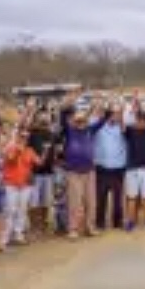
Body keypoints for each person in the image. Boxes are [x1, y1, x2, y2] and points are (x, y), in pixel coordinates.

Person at [59, 97, 108, 240]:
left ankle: (90, 227)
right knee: (75, 202)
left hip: (89, 171)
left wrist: (100, 106)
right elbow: (63, 116)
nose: (81, 122)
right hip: (73, 171)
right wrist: (68, 103)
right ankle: (73, 229)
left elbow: (102, 121)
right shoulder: (69, 130)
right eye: (78, 120)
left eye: (83, 120)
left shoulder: (90, 130)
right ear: (74, 120)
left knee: (91, 201)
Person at [2, 129, 41, 245]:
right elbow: (10, 160)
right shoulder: (10, 148)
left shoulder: (30, 150)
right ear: (17, 137)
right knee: (10, 209)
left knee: (22, 209)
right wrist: (18, 151)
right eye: (22, 137)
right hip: (11, 184)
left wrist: (45, 151)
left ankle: (18, 234)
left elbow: (39, 163)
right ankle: (6, 236)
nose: (23, 139)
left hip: (25, 185)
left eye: (25, 137)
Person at [93, 103, 127, 231]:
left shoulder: (121, 127)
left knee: (118, 198)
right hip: (102, 168)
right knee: (101, 197)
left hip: (118, 169)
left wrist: (121, 117)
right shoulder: (99, 127)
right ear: (108, 116)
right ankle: (100, 222)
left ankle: (117, 222)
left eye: (117, 114)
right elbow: (93, 121)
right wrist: (100, 111)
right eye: (114, 114)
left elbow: (124, 130)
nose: (116, 116)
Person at [27, 110, 58, 238]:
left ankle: (43, 226)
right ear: (37, 118)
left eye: (47, 116)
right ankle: (34, 227)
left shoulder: (52, 134)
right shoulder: (32, 134)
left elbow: (55, 152)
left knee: (46, 201)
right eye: (42, 116)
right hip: (35, 173)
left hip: (49, 173)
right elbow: (28, 152)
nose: (45, 118)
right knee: (33, 202)